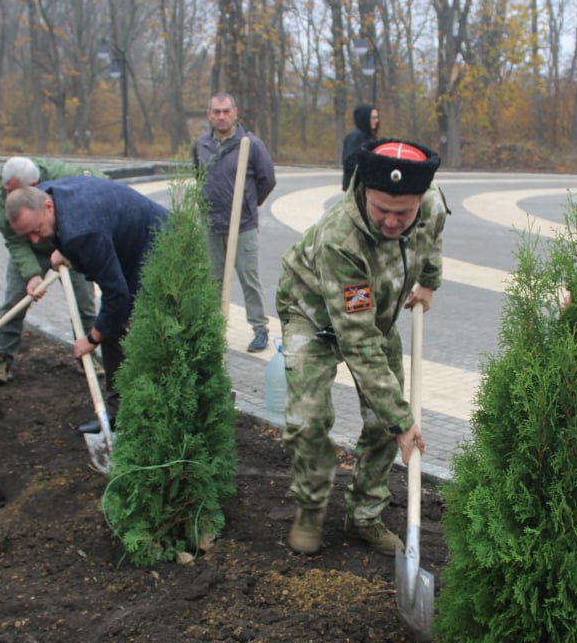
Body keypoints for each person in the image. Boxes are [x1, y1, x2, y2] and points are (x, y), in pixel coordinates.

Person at [276, 139, 450, 556]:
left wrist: (429, 281)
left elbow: (433, 237)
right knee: (307, 418)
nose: (392, 222)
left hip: (377, 314)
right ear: (364, 192)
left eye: (403, 213)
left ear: (421, 199)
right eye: (381, 211)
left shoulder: (433, 205)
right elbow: (356, 340)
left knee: (381, 422)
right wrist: (403, 418)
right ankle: (312, 505)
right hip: (313, 314)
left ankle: (365, 514)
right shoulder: (341, 238)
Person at [5, 176, 168, 434]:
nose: (36, 241)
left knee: (140, 329)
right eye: (29, 236)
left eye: (37, 230)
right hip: (130, 242)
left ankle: (157, 418)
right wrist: (62, 249)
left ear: (48, 207)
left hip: (160, 247)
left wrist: (91, 339)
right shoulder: (47, 195)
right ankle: (119, 415)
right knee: (113, 329)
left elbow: (117, 295)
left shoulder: (80, 232)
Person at [0, 156, 103, 385]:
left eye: (13, 192)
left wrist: (72, 245)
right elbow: (15, 240)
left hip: (68, 247)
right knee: (13, 302)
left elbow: (100, 188)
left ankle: (88, 357)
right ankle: (2, 358)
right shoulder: (5, 199)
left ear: (31, 186)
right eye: (6, 189)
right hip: (31, 248)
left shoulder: (64, 175)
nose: (8, 196)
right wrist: (32, 274)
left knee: (84, 304)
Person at [192, 92, 276, 352]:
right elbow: (198, 175)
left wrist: (250, 205)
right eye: (216, 112)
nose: (221, 116)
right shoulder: (201, 145)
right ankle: (214, 328)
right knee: (213, 280)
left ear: (235, 112)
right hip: (212, 225)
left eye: (226, 111)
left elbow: (267, 180)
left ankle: (260, 329)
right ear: (209, 115)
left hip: (243, 226)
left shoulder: (250, 144)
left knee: (248, 278)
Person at [340, 103, 379, 190]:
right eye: (373, 118)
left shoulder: (370, 138)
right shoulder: (354, 137)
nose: (376, 121)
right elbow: (349, 163)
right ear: (364, 118)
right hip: (355, 189)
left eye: (377, 117)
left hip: (366, 187)